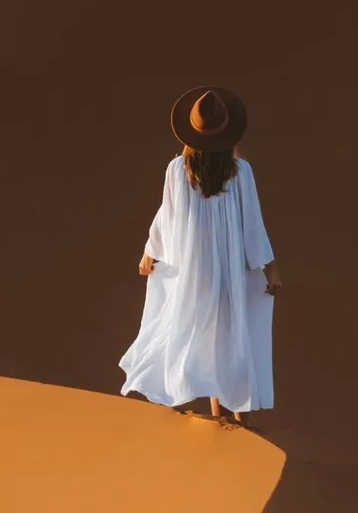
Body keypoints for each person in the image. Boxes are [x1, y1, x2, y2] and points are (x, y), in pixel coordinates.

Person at [120, 85, 282, 425]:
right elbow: (251, 223)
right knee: (232, 330)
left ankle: (219, 414)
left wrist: (152, 250)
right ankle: (238, 418)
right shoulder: (239, 171)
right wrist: (268, 266)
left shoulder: (178, 169)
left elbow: (167, 216)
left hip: (196, 268)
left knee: (206, 331)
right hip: (232, 268)